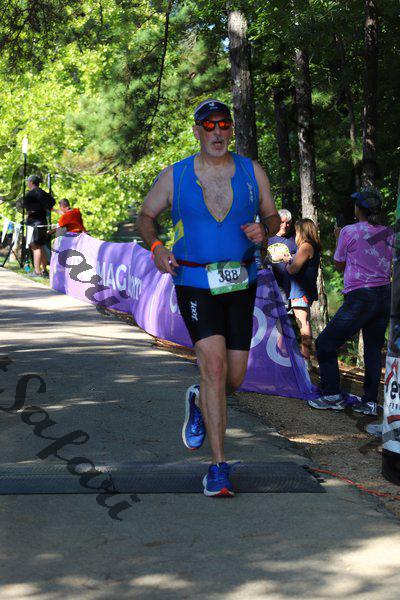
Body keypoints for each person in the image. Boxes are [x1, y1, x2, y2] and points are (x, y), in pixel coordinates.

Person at [136, 98, 280, 497]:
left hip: (240, 282)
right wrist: (157, 247)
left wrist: (265, 230)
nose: (218, 132)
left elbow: (272, 215)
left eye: (224, 125)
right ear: (197, 131)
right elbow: (146, 216)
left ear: (231, 129)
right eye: (209, 126)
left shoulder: (252, 171)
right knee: (214, 368)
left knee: (234, 377)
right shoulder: (176, 174)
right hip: (195, 282)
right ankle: (218, 467)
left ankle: (199, 400)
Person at [308, 188, 393, 415]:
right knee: (373, 350)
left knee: (325, 342)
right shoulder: (388, 233)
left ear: (359, 209)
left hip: (361, 296)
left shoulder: (348, 231)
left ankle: (332, 395)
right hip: (384, 295)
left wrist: (339, 238)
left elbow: (339, 264)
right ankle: (370, 402)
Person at [281, 218, 321, 364]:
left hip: (300, 290)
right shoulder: (311, 246)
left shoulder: (305, 246)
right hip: (305, 290)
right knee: (305, 322)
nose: (296, 233)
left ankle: (305, 359)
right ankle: (308, 357)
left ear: (302, 231)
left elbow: (293, 269)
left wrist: (287, 263)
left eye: (297, 231)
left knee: (303, 323)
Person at [23, 174, 55, 277]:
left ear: (31, 182)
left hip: (34, 224)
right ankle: (44, 271)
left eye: (28, 182)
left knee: (35, 247)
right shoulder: (44, 193)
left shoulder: (30, 194)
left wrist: (30, 212)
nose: (27, 184)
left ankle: (37, 271)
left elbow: (29, 210)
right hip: (43, 222)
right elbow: (52, 202)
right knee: (41, 246)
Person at [266, 208, 297, 307]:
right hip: (267, 284)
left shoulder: (294, 239)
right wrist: (279, 256)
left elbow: (299, 258)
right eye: (282, 222)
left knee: (285, 313)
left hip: (286, 286)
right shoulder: (267, 237)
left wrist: (291, 258)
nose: (285, 225)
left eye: (287, 223)